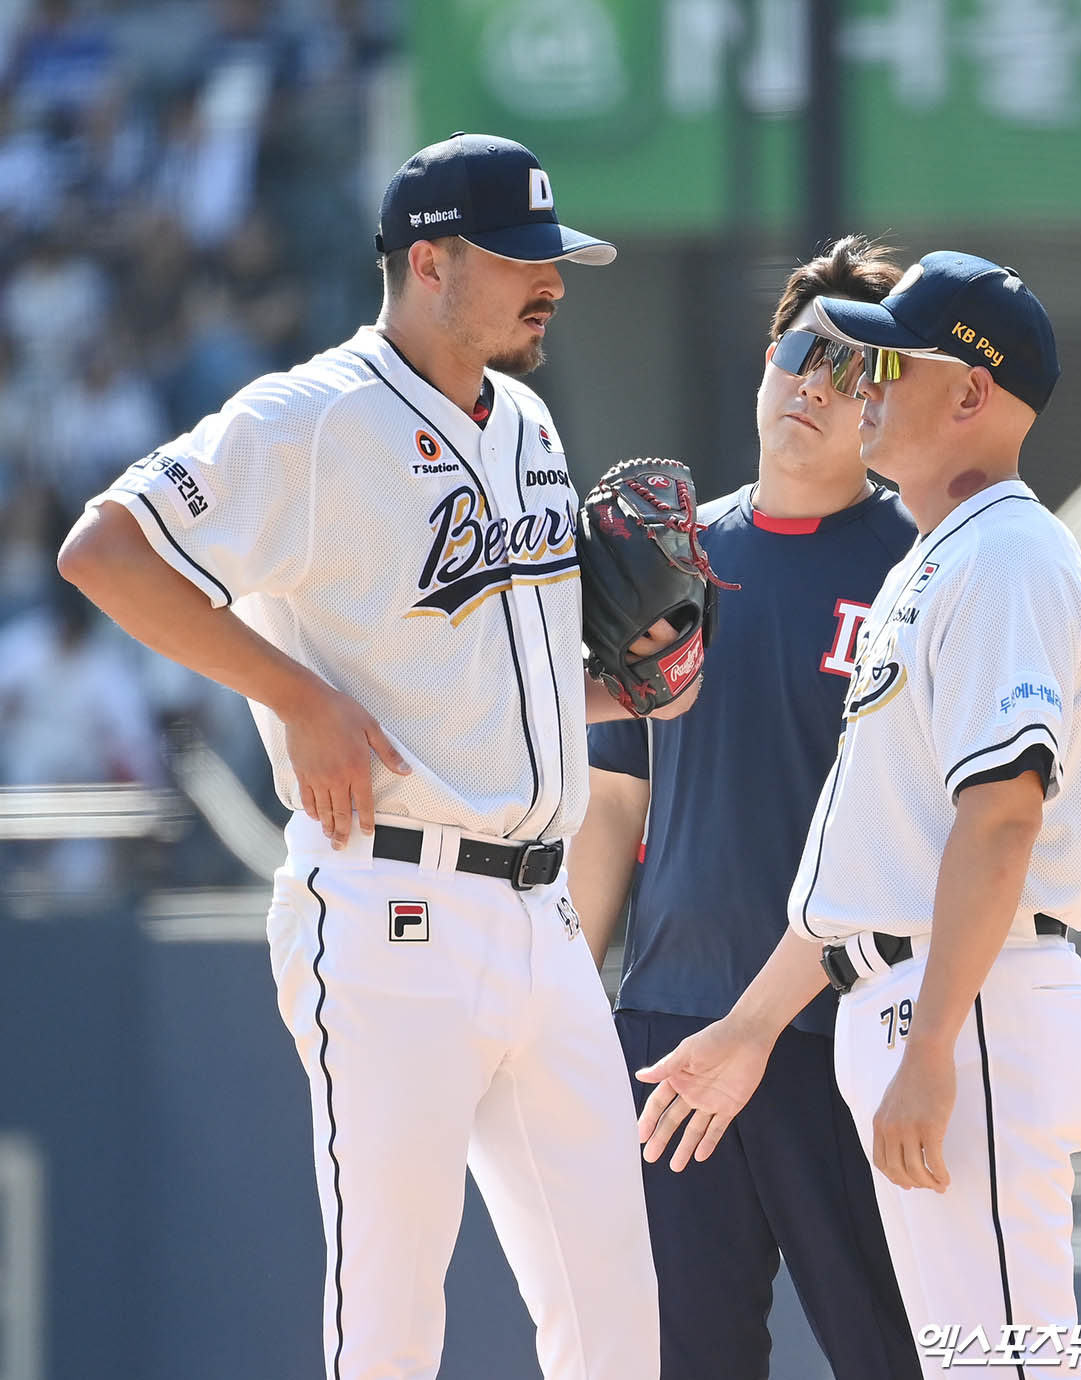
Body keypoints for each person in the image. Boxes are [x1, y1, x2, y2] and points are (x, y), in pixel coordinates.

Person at [57, 132, 678, 1380]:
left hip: (543, 918)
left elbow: (473, 652)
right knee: (391, 1321)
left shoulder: (531, 419)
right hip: (393, 909)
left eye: (555, 258)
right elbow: (103, 550)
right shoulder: (312, 416)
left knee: (613, 1317)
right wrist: (293, 695)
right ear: (431, 262)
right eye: (520, 260)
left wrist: (606, 683)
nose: (549, 281)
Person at [636, 251, 1081, 1378]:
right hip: (913, 997)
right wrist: (747, 1032)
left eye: (889, 359)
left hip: (971, 1005)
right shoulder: (937, 561)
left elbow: (1002, 820)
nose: (865, 381)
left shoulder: (1004, 553)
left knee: (999, 1365)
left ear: (967, 397)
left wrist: (938, 1043)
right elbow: (873, 861)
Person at [568, 236, 923, 1380]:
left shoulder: (923, 568)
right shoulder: (667, 560)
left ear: (890, 399)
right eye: (800, 351)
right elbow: (613, 806)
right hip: (670, 1036)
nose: (814, 384)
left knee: (898, 1356)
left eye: (855, 367)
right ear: (765, 359)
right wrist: (569, 1016)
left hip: (848, 1038)